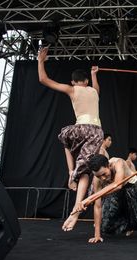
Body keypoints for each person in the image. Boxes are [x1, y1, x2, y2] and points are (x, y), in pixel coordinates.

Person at [38, 47, 104, 231]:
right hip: (96, 132)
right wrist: (94, 74)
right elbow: (96, 87)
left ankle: (70, 173)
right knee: (85, 171)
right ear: (86, 81)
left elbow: (44, 80)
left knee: (64, 138)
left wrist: (40, 60)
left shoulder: (72, 89)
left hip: (80, 128)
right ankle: (75, 209)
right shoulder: (93, 91)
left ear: (74, 82)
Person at [84, 154, 137, 243]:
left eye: (104, 174)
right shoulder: (97, 180)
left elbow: (117, 185)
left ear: (108, 165)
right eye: (98, 176)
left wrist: (90, 198)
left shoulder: (118, 163)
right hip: (115, 190)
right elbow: (98, 206)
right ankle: (130, 225)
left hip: (132, 184)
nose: (103, 178)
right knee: (105, 227)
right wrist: (97, 235)